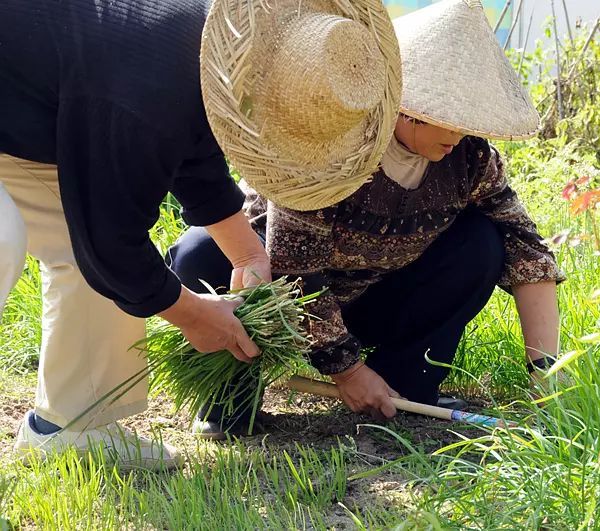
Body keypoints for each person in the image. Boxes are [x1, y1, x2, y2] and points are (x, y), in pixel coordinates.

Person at [1, 0, 400, 468]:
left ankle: (71, 428)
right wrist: (192, 314)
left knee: (79, 253)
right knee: (4, 235)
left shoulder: (204, 55)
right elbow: (112, 246)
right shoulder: (145, 87)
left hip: (22, 113)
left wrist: (250, 256)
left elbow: (195, 161)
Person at [168, 0, 565, 439]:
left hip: (375, 297)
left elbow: (525, 246)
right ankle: (233, 394)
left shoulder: (469, 159)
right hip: (274, 298)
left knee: (483, 244)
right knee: (201, 254)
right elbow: (297, 275)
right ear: (407, 107)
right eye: (446, 121)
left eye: (466, 123)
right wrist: (348, 373)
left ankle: (406, 387)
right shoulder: (332, 145)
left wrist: (546, 375)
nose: (457, 136)